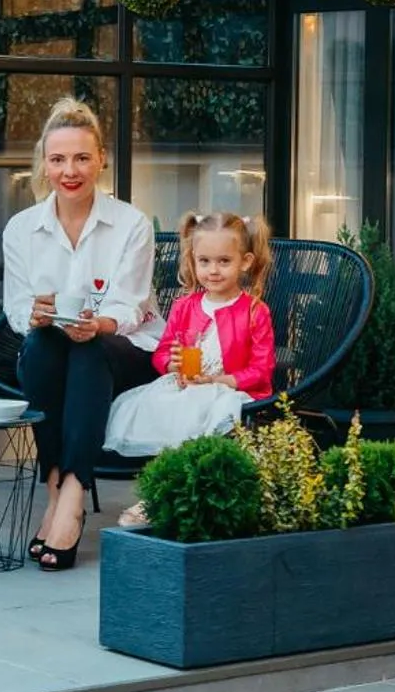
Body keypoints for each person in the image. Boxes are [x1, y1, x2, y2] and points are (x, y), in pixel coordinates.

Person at [2, 98, 159, 571]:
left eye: (81, 158)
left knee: (88, 351)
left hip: (126, 348)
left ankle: (69, 494)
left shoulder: (130, 223)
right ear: (44, 164)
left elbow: (129, 306)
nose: (70, 170)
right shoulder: (22, 229)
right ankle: (58, 485)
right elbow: (14, 305)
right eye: (58, 159)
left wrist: (98, 325)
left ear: (101, 160)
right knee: (43, 346)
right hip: (54, 348)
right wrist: (34, 316)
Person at [106, 212, 277, 526]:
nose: (213, 271)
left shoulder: (254, 310)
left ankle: (165, 497)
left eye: (224, 261)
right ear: (193, 261)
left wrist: (219, 380)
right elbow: (161, 353)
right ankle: (164, 491)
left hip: (230, 391)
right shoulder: (185, 306)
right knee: (158, 407)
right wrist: (168, 362)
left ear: (245, 261)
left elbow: (262, 370)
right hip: (186, 385)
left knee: (202, 412)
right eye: (205, 261)